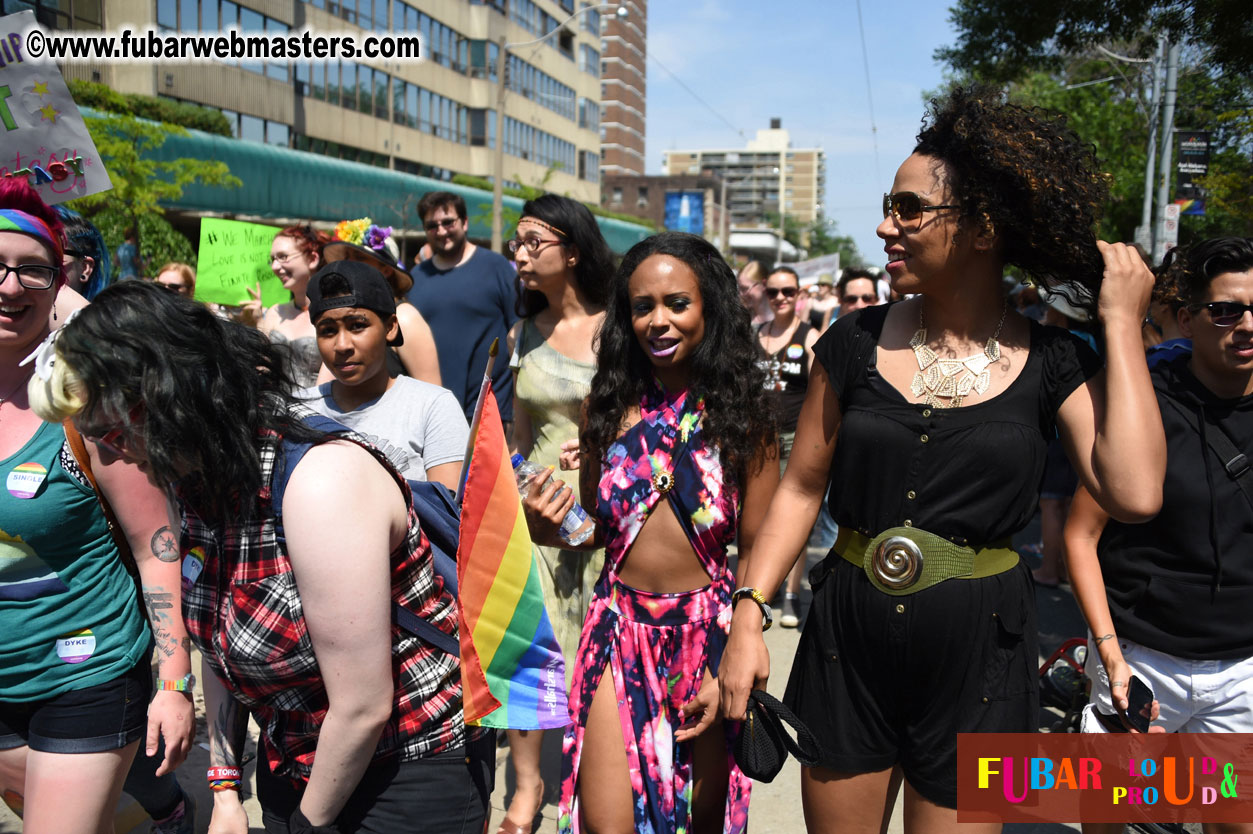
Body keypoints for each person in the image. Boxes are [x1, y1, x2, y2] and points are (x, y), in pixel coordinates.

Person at [717, 86, 1165, 833]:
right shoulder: (852, 343)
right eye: (890, 208)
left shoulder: (1054, 361)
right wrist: (747, 617)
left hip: (985, 659)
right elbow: (799, 489)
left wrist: (1118, 324)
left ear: (983, 228)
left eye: (908, 210)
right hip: (846, 648)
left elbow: (1136, 491)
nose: (885, 226)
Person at [31, 280, 494, 834]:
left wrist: (305, 824)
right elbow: (220, 643)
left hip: (405, 775)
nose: (108, 454)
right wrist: (226, 789)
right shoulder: (195, 482)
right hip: (298, 768)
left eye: (110, 432)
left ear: (167, 398)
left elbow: (363, 704)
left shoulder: (320, 484)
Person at [524, 232, 779, 834]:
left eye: (677, 304)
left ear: (710, 309)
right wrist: (550, 529)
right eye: (643, 307)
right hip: (617, 633)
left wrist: (737, 656)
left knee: (695, 824)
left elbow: (763, 553)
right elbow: (598, 529)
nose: (659, 321)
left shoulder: (745, 417)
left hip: (707, 638)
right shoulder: (605, 407)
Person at [1, 178, 194, 834]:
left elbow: (155, 543)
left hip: (84, 675)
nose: (10, 287)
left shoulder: (90, 401)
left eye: (33, 270)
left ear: (61, 283)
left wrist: (174, 686)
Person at [1063, 240, 1253, 824]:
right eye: (1226, 309)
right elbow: (1080, 535)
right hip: (1145, 663)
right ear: (1188, 319)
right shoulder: (1148, 404)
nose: (1245, 324)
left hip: (1242, 671)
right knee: (1108, 813)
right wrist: (1109, 654)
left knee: (1232, 820)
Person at [503, 194, 613, 833]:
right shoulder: (523, 333)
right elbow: (521, 438)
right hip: (537, 513)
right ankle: (527, 785)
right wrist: (516, 492)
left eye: (532, 242)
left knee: (596, 650)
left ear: (572, 249)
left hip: (609, 511)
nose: (519, 254)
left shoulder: (618, 327)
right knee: (527, 645)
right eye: (515, 243)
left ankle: (586, 777)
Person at [301, 260, 467, 491]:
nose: (342, 345)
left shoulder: (432, 407)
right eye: (327, 331)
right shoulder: (298, 411)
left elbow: (445, 513)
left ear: (390, 328)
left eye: (357, 326)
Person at [407, 191, 518, 427]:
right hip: (433, 413)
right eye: (432, 225)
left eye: (448, 222)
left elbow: (520, 334)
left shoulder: (496, 267)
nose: (441, 231)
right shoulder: (416, 278)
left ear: (465, 222)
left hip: (489, 413)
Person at [757, 265, 819, 628]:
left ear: (799, 296)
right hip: (757, 443)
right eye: (774, 292)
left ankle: (792, 596)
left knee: (793, 519)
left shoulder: (810, 337)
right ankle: (768, 587)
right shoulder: (755, 334)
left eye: (788, 292)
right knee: (760, 519)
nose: (780, 298)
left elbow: (819, 394)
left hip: (794, 437)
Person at [321, 236, 442, 387]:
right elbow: (324, 386)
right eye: (346, 258)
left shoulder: (404, 317)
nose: (349, 265)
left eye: (359, 257)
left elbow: (432, 392)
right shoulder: (339, 316)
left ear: (386, 270)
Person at [241, 224, 331, 389]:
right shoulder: (275, 312)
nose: (275, 267)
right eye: (273, 260)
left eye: (283, 257)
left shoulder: (333, 314)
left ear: (312, 259)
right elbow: (262, 368)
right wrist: (255, 323)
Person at [736, 260, 773, 327]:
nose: (741, 294)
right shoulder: (739, 319)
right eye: (739, 288)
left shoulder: (778, 319)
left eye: (745, 288)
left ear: (764, 284)